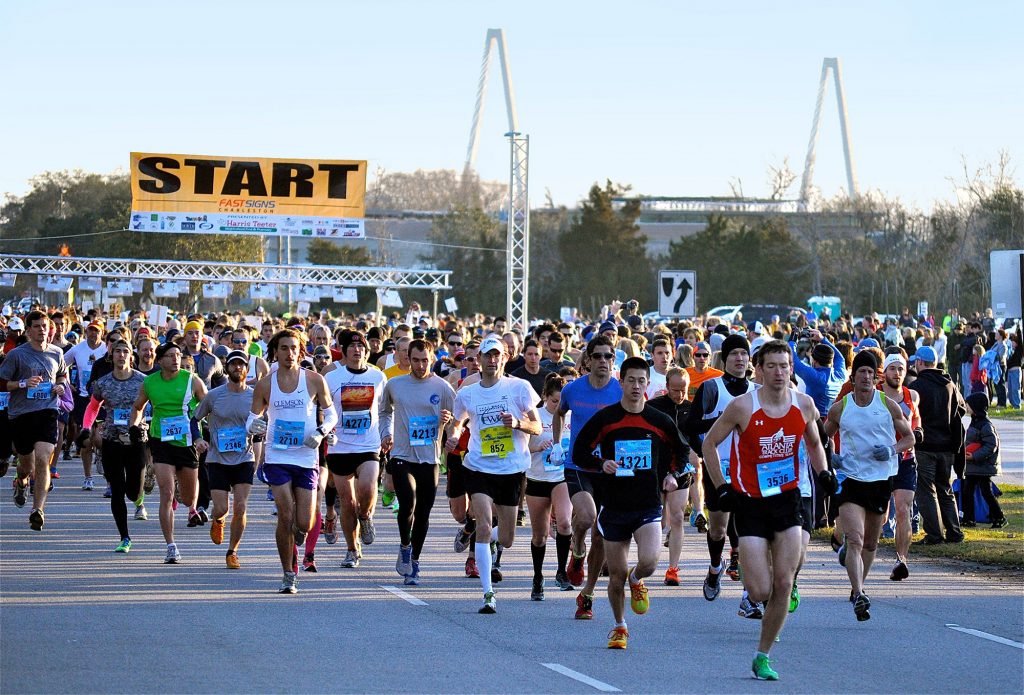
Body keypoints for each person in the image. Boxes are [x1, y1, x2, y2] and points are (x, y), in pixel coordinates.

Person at [702, 339, 836, 680]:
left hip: (787, 499)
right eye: (772, 366)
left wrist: (823, 472)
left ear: (792, 368)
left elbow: (815, 443)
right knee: (760, 590)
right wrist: (722, 487)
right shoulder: (742, 407)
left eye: (785, 365)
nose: (779, 372)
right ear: (758, 370)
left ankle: (762, 655)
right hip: (749, 504)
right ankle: (753, 584)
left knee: (784, 580)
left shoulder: (804, 405)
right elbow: (709, 444)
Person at [574, 357, 693, 649]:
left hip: (647, 503)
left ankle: (637, 579)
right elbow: (579, 453)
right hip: (614, 505)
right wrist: (601, 463)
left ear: (646, 384)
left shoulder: (658, 420)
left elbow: (683, 452)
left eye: (642, 381)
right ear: (622, 382)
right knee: (615, 576)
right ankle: (619, 627)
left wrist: (674, 476)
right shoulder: (606, 418)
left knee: (650, 561)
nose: (637, 386)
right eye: (631, 381)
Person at [446, 335, 541, 613]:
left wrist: (519, 423)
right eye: (487, 355)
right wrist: (453, 436)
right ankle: (488, 594)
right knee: (485, 526)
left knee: (508, 538)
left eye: (497, 355)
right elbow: (458, 421)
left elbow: (537, 427)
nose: (492, 360)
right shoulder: (468, 391)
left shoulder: (519, 388)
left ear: (506, 357)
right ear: (480, 359)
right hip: (478, 466)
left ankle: (477, 534)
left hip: (511, 469)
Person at [825, 350, 915, 621]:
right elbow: (822, 436)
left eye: (870, 372)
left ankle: (858, 588)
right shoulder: (841, 407)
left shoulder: (888, 404)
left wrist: (891, 449)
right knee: (855, 539)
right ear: (852, 378)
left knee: (871, 544)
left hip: (880, 480)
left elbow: (909, 438)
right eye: (860, 372)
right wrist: (832, 457)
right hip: (851, 479)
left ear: (875, 377)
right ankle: (859, 591)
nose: (865, 376)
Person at [248, 329, 337, 594]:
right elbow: (250, 419)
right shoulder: (265, 384)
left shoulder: (314, 380)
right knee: (285, 516)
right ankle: (288, 573)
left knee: (305, 522)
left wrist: (321, 433)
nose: (289, 353)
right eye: (284, 348)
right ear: (275, 351)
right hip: (277, 456)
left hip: (306, 456)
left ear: (301, 350)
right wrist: (255, 425)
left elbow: (331, 415)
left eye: (294, 348)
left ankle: (298, 537)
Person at [548, 335, 623, 620]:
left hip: (610, 468)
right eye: (598, 356)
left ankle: (587, 594)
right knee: (588, 517)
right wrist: (557, 443)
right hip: (579, 465)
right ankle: (577, 551)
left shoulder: (620, 391)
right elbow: (559, 414)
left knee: (602, 534)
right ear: (588, 360)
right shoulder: (572, 389)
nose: (603, 361)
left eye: (608, 357)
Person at [684, 334, 756, 605]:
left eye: (743, 354)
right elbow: (690, 426)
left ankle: (751, 594)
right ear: (724, 359)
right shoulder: (712, 388)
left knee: (749, 531)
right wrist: (722, 422)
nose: (739, 359)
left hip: (749, 470)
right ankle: (715, 568)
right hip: (718, 468)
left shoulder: (756, 390)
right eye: (734, 354)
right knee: (717, 531)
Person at [379, 339, 456, 584]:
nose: (421, 365)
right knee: (408, 504)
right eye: (416, 360)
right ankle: (404, 545)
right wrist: (385, 433)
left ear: (432, 358)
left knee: (423, 513)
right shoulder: (395, 384)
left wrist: (449, 420)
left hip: (429, 458)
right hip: (402, 455)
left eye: (425, 360)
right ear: (407, 360)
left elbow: (459, 420)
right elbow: (384, 412)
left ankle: (414, 561)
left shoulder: (442, 387)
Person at [130, 342, 208, 563]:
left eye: (178, 355)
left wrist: (205, 433)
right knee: (166, 492)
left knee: (187, 498)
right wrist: (134, 426)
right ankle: (171, 545)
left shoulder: (192, 380)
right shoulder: (150, 382)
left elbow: (208, 405)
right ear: (160, 360)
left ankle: (189, 505)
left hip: (187, 443)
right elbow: (138, 406)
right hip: (160, 440)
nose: (175, 359)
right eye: (170, 355)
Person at [0, 311, 69, 530]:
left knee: (42, 459)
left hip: (47, 412)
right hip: (21, 414)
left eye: (44, 326)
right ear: (28, 330)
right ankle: (21, 483)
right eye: (37, 326)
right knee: (26, 465)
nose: (42, 330)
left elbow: (61, 375)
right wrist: (22, 384)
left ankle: (37, 509)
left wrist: (61, 386)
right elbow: (2, 383)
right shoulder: (17, 355)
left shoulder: (57, 353)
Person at [324, 330, 388, 569]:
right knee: (347, 501)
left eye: (360, 346)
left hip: (369, 443)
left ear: (366, 350)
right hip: (341, 446)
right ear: (343, 350)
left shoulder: (378, 377)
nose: (356, 350)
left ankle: (366, 516)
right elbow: (322, 407)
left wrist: (387, 434)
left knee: (368, 488)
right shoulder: (332, 377)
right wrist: (325, 429)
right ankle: (352, 549)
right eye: (351, 347)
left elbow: (385, 409)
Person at [193, 350, 257, 569]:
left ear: (247, 369)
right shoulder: (214, 395)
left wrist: (263, 431)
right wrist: (198, 439)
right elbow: (194, 419)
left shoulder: (255, 396)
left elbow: (267, 421)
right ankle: (218, 519)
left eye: (241, 365)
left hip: (245, 458)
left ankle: (233, 551)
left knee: (240, 507)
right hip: (217, 459)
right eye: (233, 364)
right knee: (221, 508)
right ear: (227, 368)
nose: (237, 368)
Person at [90, 340, 147, 552]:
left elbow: (155, 406)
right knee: (117, 490)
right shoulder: (103, 383)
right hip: (112, 441)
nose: (121, 355)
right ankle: (124, 537)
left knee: (133, 492)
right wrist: (90, 428)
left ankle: (139, 495)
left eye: (125, 352)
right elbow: (93, 408)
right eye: (117, 352)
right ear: (111, 356)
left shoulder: (144, 381)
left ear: (131, 356)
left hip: (136, 441)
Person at [647, 367, 702, 583]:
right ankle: (647, 562)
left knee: (677, 516)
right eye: (675, 390)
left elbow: (697, 438)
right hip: (655, 468)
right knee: (654, 519)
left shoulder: (691, 409)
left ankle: (673, 569)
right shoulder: (653, 407)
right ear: (666, 387)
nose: (679, 395)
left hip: (680, 468)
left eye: (683, 390)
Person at [908, 346, 967, 545]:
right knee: (945, 489)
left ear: (921, 363)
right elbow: (961, 409)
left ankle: (934, 534)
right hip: (948, 446)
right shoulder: (949, 384)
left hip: (926, 447)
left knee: (926, 491)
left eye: (916, 362)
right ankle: (954, 531)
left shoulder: (917, 386)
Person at [525, 373, 573, 599]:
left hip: (560, 477)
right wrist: (538, 446)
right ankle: (537, 577)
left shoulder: (570, 416)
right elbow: (522, 446)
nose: (558, 406)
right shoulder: (535, 416)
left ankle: (562, 572)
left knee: (564, 523)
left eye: (562, 402)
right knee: (540, 536)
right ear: (545, 397)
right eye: (554, 401)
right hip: (537, 478)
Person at [876, 353, 922, 580]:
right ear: (884, 371)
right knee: (880, 516)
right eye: (892, 369)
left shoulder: (911, 395)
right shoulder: (874, 394)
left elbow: (916, 421)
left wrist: (919, 431)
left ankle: (901, 560)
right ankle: (858, 547)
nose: (897, 373)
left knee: (903, 509)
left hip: (904, 459)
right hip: (879, 461)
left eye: (901, 369)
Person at [64, 320, 106, 490]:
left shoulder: (106, 349)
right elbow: (62, 365)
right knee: (86, 440)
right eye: (90, 330)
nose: (93, 334)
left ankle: (102, 455)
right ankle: (88, 477)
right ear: (86, 332)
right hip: (83, 398)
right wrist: (67, 383)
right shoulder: (77, 349)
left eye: (97, 331)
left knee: (100, 439)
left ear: (102, 333)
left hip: (103, 400)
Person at [961, 393, 1006, 528]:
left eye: (968, 405)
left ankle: (999, 517)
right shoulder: (975, 422)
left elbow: (991, 445)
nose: (967, 407)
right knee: (968, 491)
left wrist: (974, 456)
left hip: (982, 466)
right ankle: (969, 518)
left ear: (975, 406)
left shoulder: (985, 425)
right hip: (974, 466)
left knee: (986, 492)